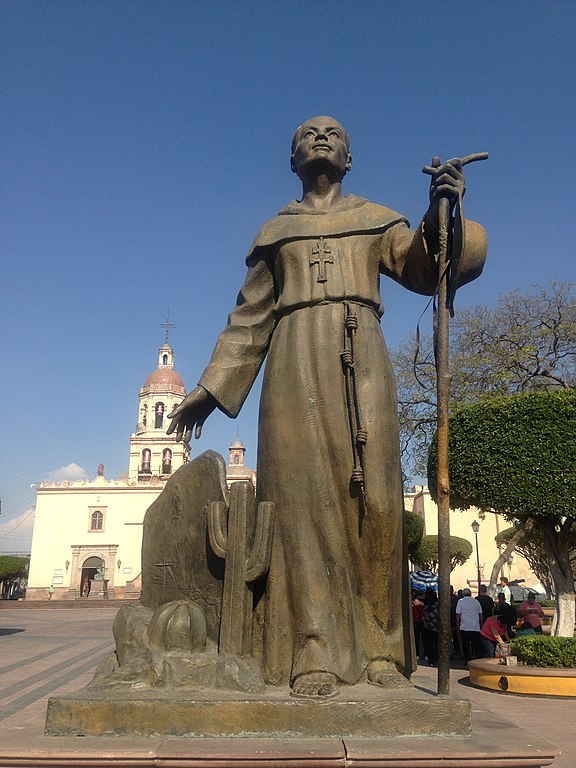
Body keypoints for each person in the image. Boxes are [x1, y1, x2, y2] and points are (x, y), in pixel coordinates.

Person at [167, 116, 487, 698]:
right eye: (307, 134)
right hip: (291, 367)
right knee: (298, 506)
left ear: (349, 158)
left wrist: (443, 211)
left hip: (363, 359)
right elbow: (249, 318)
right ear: (292, 160)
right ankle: (312, 649)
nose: (321, 137)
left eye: (334, 133)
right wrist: (211, 389)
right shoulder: (276, 232)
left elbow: (423, 267)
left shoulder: (376, 220)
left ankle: (382, 652)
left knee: (381, 504)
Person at [455, 588, 484, 663]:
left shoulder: (460, 602)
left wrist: (457, 624)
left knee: (466, 645)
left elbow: (458, 614)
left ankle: (467, 659)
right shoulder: (476, 601)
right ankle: (478, 659)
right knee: (476, 644)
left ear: (463, 594)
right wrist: (481, 623)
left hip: (464, 626)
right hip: (475, 627)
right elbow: (480, 614)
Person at [421, 588, 439, 666]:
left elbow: (423, 617)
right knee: (436, 643)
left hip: (427, 627)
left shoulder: (425, 606)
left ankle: (430, 659)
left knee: (428, 644)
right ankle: (436, 657)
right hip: (436, 627)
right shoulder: (437, 606)